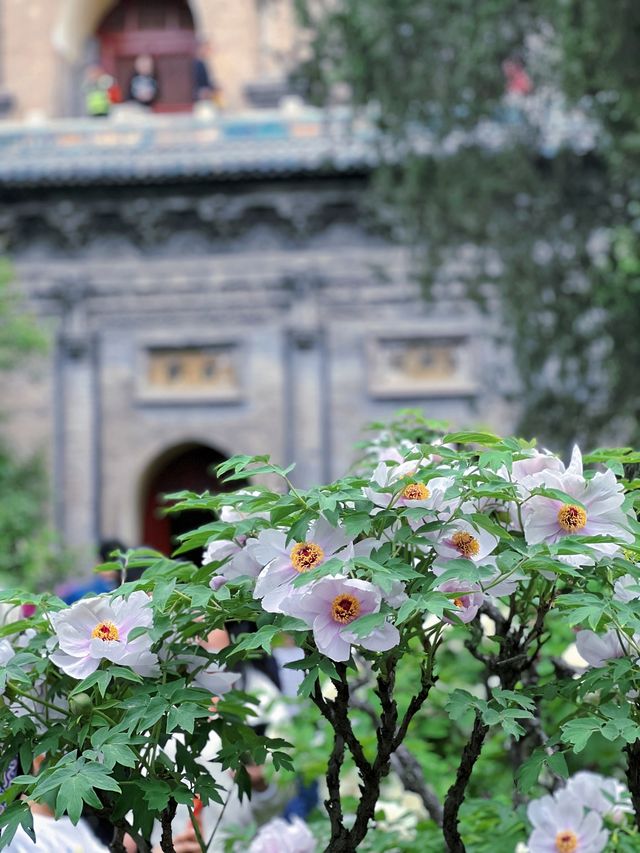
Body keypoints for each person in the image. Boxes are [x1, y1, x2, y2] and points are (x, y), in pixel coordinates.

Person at [192, 40, 219, 104]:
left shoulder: (202, 63)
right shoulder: (195, 63)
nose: (208, 51)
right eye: (206, 48)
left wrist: (214, 88)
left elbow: (206, 82)